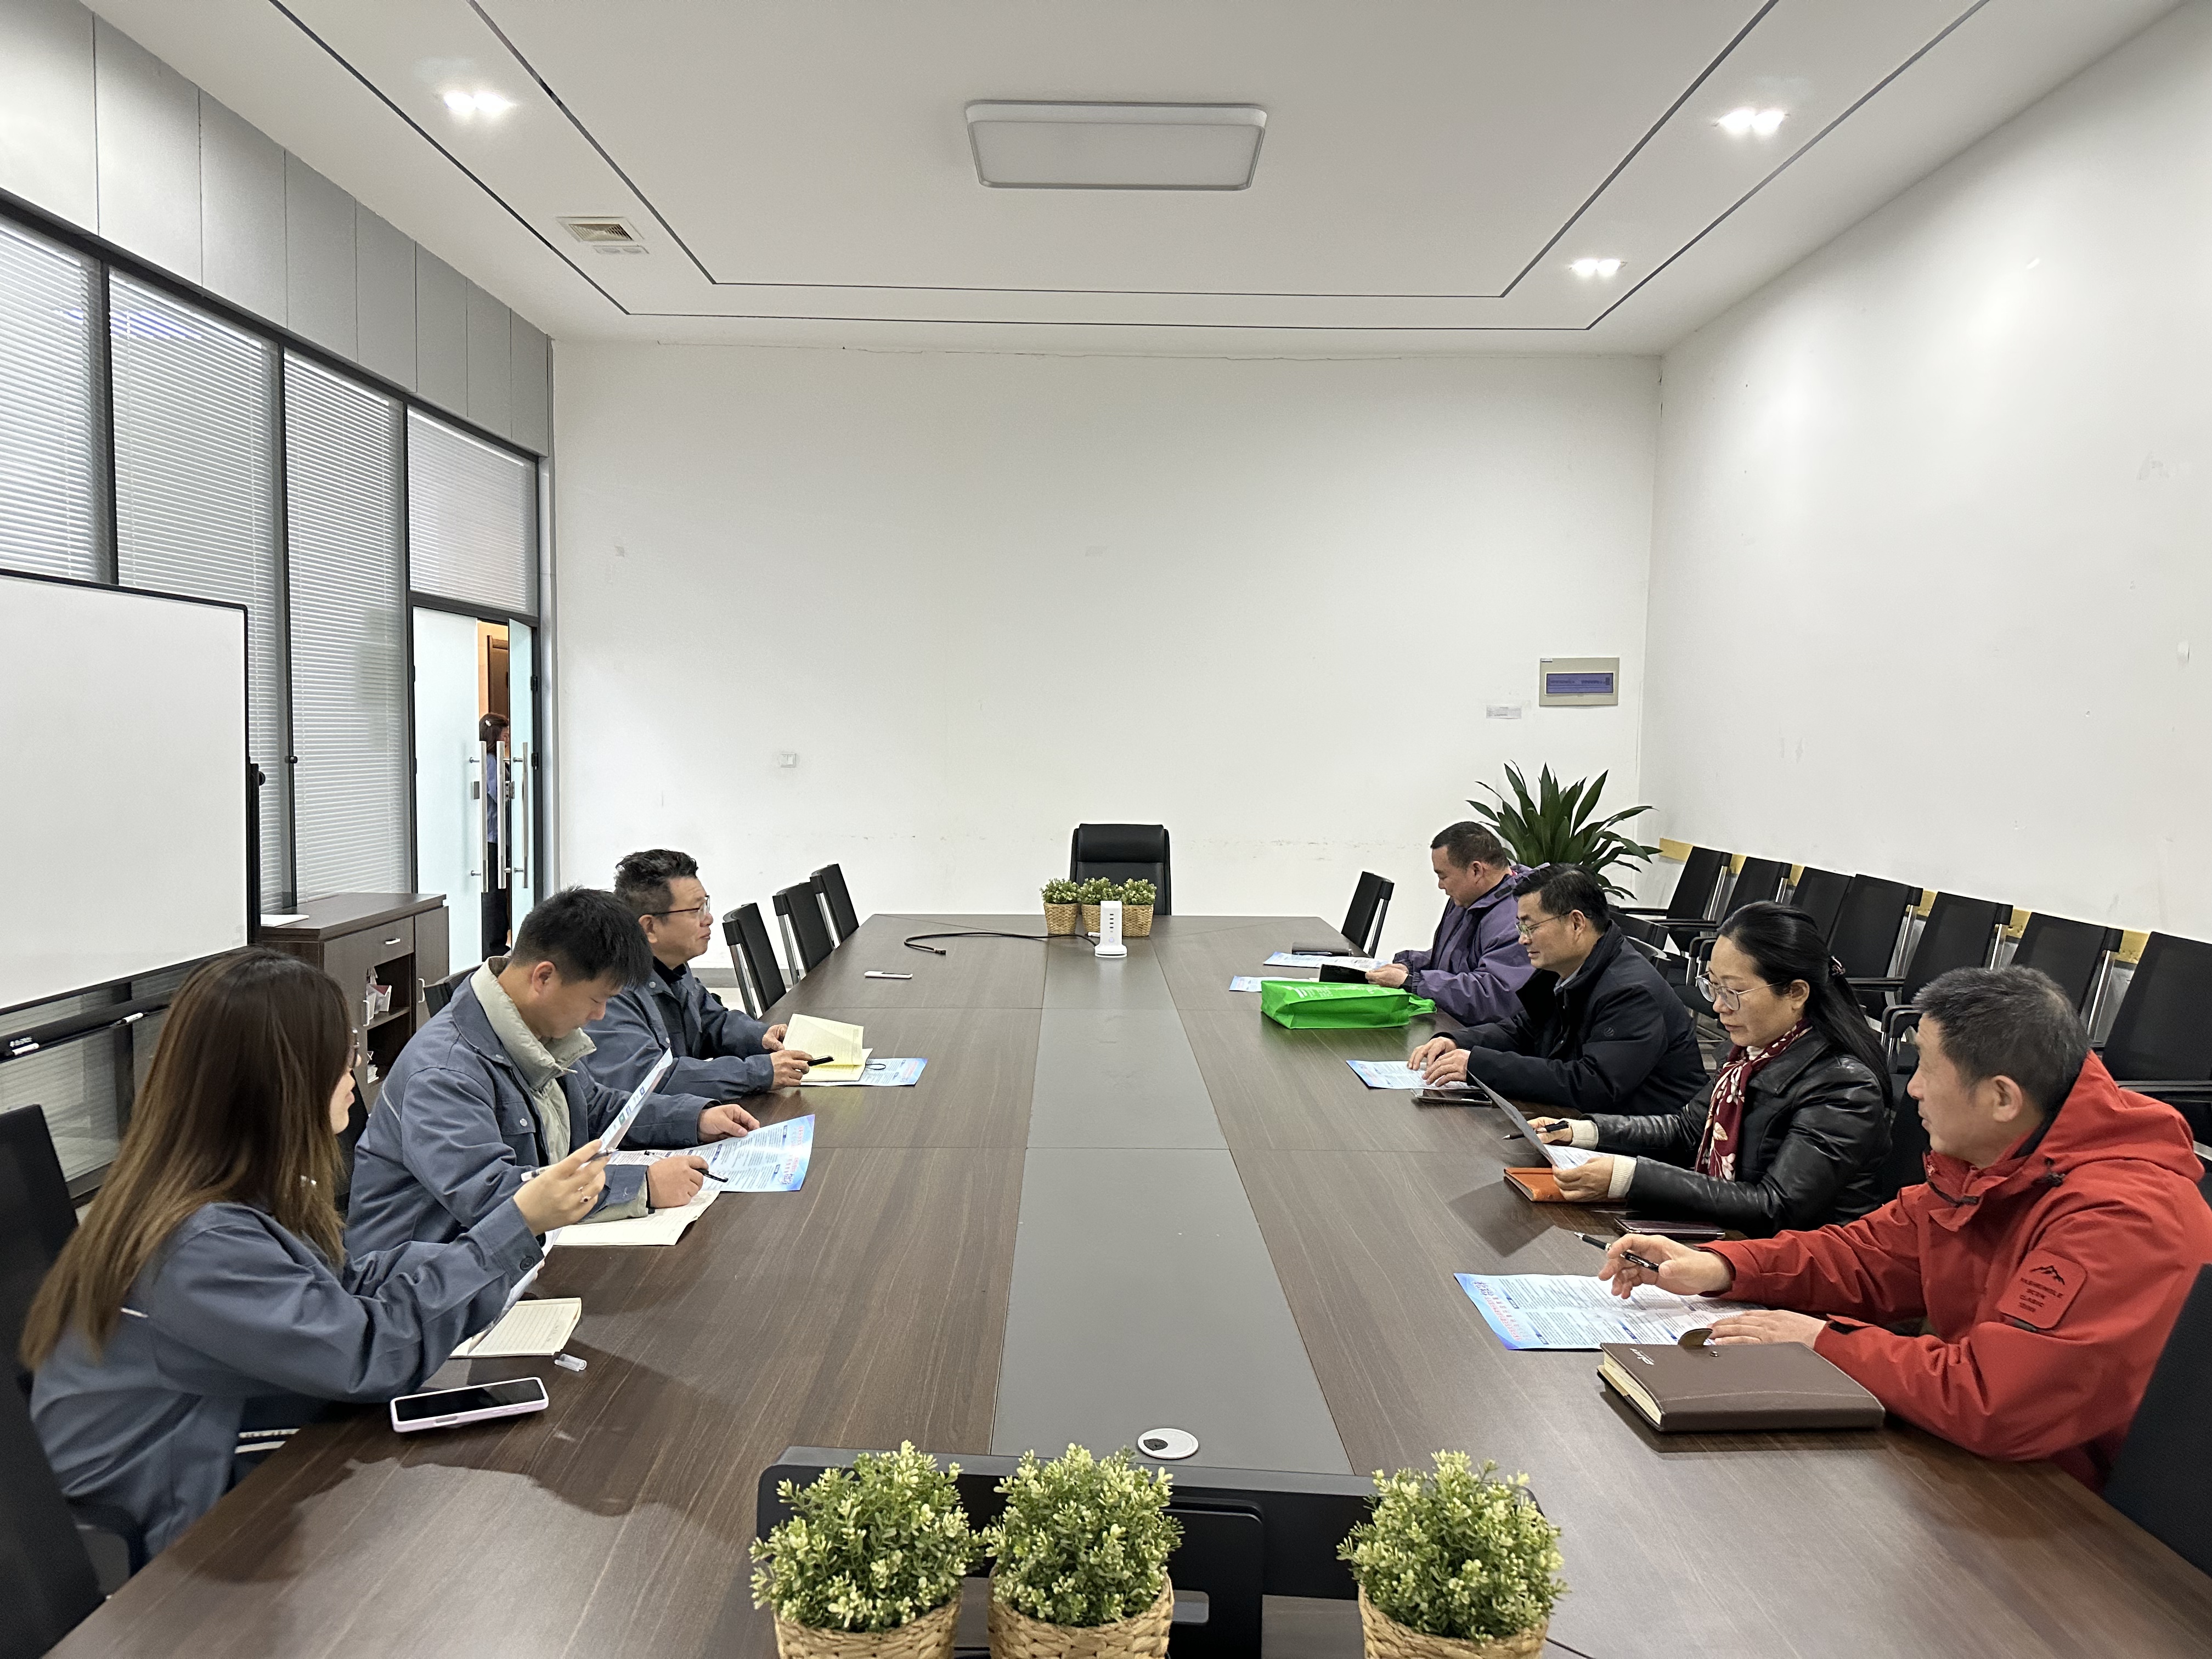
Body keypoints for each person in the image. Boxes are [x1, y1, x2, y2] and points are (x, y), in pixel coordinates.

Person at [21, 949, 608, 1556]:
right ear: (281, 1081)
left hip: (232, 1466)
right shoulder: (200, 1241)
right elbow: (365, 1353)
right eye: (340, 1054)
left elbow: (343, 1285)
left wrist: (485, 1248)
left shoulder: (233, 1192)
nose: (354, 1069)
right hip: (170, 1540)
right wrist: (511, 1229)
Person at [1600, 967, 2212, 1489]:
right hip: (1991, 1472)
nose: (1911, 1088)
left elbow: (1996, 1401)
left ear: (2002, 1098)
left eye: (1926, 1068)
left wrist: (1823, 1342)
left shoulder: (2124, 1216)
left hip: (2089, 1518)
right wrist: (1723, 1266)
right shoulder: (1993, 1160)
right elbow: (1868, 1256)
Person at [346, 887, 761, 1255]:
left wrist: (694, 1118)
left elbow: (593, 1107)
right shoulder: (445, 1072)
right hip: (426, 1283)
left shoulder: (538, 1028)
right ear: (544, 977)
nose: (600, 1016)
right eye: (597, 1000)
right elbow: (494, 1196)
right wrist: (642, 1185)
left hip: (517, 1257)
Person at [1528, 902, 1891, 1232]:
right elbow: (1688, 1129)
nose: (1718, 1006)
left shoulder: (1844, 1087)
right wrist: (1583, 1132)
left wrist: (1630, 1177)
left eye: (1733, 992)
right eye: (1713, 986)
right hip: (1733, 1236)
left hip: (1796, 1261)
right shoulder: (1748, 1056)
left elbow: (1774, 1207)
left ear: (1796, 993)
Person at [1408, 863, 1706, 1117]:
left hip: (1642, 1141)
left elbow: (1592, 1084)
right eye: (1520, 928)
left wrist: (1479, 1064)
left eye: (1530, 927)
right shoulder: (1566, 967)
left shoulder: (1631, 993)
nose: (1522, 940)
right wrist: (1458, 1041)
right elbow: (1525, 1029)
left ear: (1576, 923)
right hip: (1587, 1122)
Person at [588, 849, 815, 1098]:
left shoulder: (671, 966)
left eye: (705, 905)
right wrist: (756, 1072)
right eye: (695, 910)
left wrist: (761, 1037)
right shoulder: (610, 992)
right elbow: (651, 1081)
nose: (709, 918)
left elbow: (711, 1021)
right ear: (650, 927)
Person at [1364, 822, 1532, 1024]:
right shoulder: (1470, 898)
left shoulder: (1518, 916)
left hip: (1484, 1035)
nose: (1440, 885)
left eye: (1443, 876)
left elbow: (1494, 996)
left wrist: (1413, 982)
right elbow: (1454, 959)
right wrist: (1409, 966)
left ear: (1476, 870)